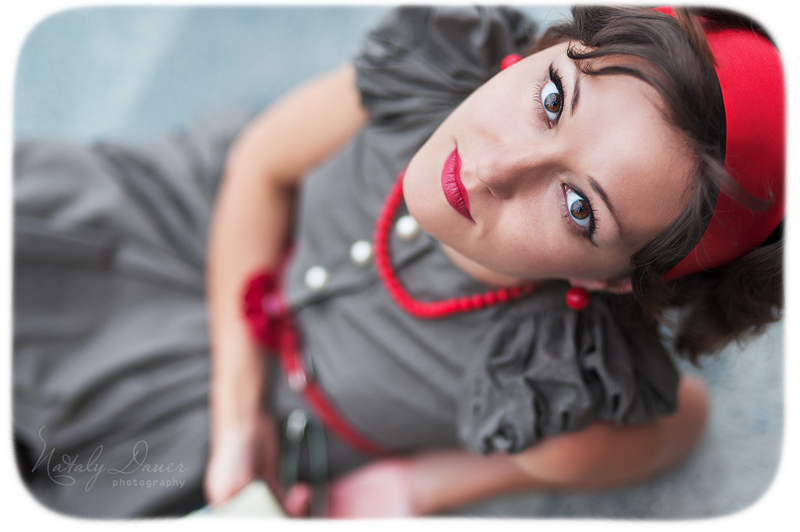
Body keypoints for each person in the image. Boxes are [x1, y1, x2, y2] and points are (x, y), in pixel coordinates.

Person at [13, 5, 783, 518]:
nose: (492, 167)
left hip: (223, 425)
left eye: (579, 206)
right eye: (553, 99)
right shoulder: (431, 74)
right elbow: (261, 166)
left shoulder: (542, 380)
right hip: (189, 225)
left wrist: (417, 487)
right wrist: (236, 407)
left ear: (608, 278)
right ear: (547, 51)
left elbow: (683, 423)